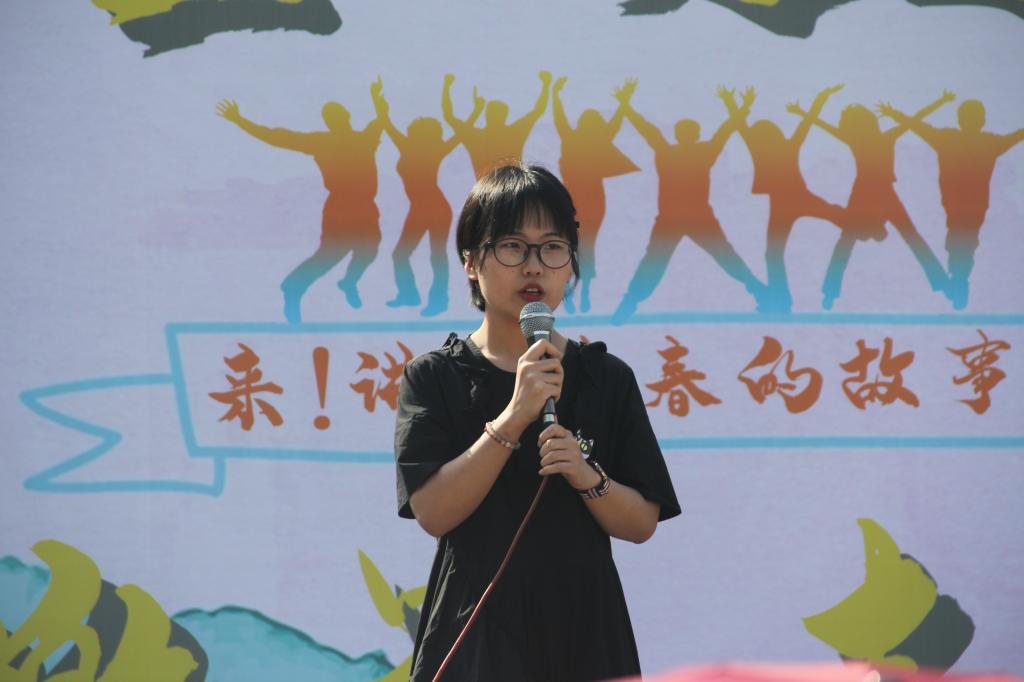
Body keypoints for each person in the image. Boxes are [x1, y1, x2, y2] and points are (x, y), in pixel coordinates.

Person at [394, 163, 681, 681]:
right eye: (512, 246)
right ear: (471, 262)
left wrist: (587, 476)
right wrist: (514, 417)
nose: (534, 267)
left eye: (552, 248)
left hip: (583, 628)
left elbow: (641, 523)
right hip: (476, 626)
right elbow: (432, 512)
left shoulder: (605, 378)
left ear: (570, 264)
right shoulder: (435, 376)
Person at [216, 79, 385, 323]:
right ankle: (293, 286)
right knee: (331, 254)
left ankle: (348, 282)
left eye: (339, 116)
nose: (337, 120)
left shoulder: (364, 138)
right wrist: (240, 120)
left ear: (346, 117)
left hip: (366, 206)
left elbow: (380, 121)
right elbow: (277, 137)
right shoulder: (323, 141)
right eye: (333, 118)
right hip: (341, 206)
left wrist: (377, 101)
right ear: (329, 122)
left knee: (369, 248)